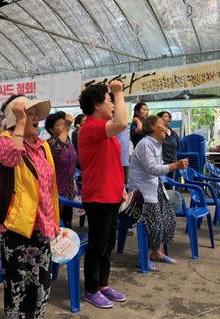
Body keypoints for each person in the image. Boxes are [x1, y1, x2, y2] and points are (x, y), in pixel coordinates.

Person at [0, 94, 60, 318]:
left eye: (35, 115)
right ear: (16, 118)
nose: (35, 119)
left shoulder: (42, 147)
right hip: (17, 226)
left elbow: (49, 187)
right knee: (19, 287)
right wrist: (20, 123)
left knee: (41, 282)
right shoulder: (5, 140)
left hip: (41, 224)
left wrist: (54, 221)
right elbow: (11, 159)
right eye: (29, 114)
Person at [78, 80, 128, 309]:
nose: (113, 104)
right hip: (98, 197)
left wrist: (121, 188)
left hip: (111, 195)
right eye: (109, 100)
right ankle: (91, 289)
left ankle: (103, 284)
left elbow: (111, 164)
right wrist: (118, 92)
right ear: (98, 105)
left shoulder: (104, 131)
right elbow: (122, 121)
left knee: (108, 243)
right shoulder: (90, 128)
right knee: (97, 245)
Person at [129, 116, 188, 271]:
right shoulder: (145, 144)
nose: (166, 126)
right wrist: (175, 165)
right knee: (155, 225)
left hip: (154, 186)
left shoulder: (157, 144)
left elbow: (157, 168)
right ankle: (146, 256)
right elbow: (152, 169)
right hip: (142, 193)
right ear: (153, 127)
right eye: (162, 123)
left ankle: (158, 252)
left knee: (168, 219)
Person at [44, 111, 77, 228]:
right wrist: (67, 126)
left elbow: (71, 163)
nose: (63, 127)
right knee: (57, 221)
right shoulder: (50, 143)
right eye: (59, 125)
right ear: (51, 130)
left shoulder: (69, 142)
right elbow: (58, 148)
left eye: (64, 124)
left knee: (68, 220)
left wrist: (73, 182)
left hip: (68, 189)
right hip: (55, 189)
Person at [156, 111, 180, 182]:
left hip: (173, 163)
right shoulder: (158, 133)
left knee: (170, 185)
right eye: (165, 116)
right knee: (161, 184)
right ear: (159, 119)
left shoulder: (174, 133)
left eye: (169, 117)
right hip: (162, 164)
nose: (168, 118)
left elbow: (177, 147)